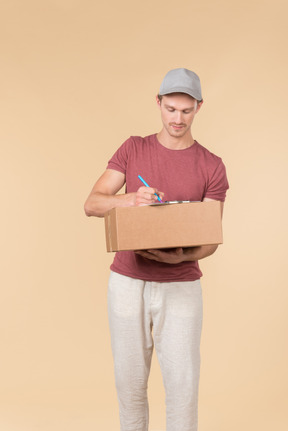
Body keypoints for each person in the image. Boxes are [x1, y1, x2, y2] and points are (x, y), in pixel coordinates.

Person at [84, 68, 229, 431]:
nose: (177, 119)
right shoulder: (134, 148)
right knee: (130, 386)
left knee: (183, 388)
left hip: (181, 284)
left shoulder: (212, 165)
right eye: (170, 109)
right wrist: (132, 199)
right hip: (127, 282)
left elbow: (211, 236)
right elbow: (92, 203)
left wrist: (181, 256)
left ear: (198, 108)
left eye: (186, 110)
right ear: (158, 104)